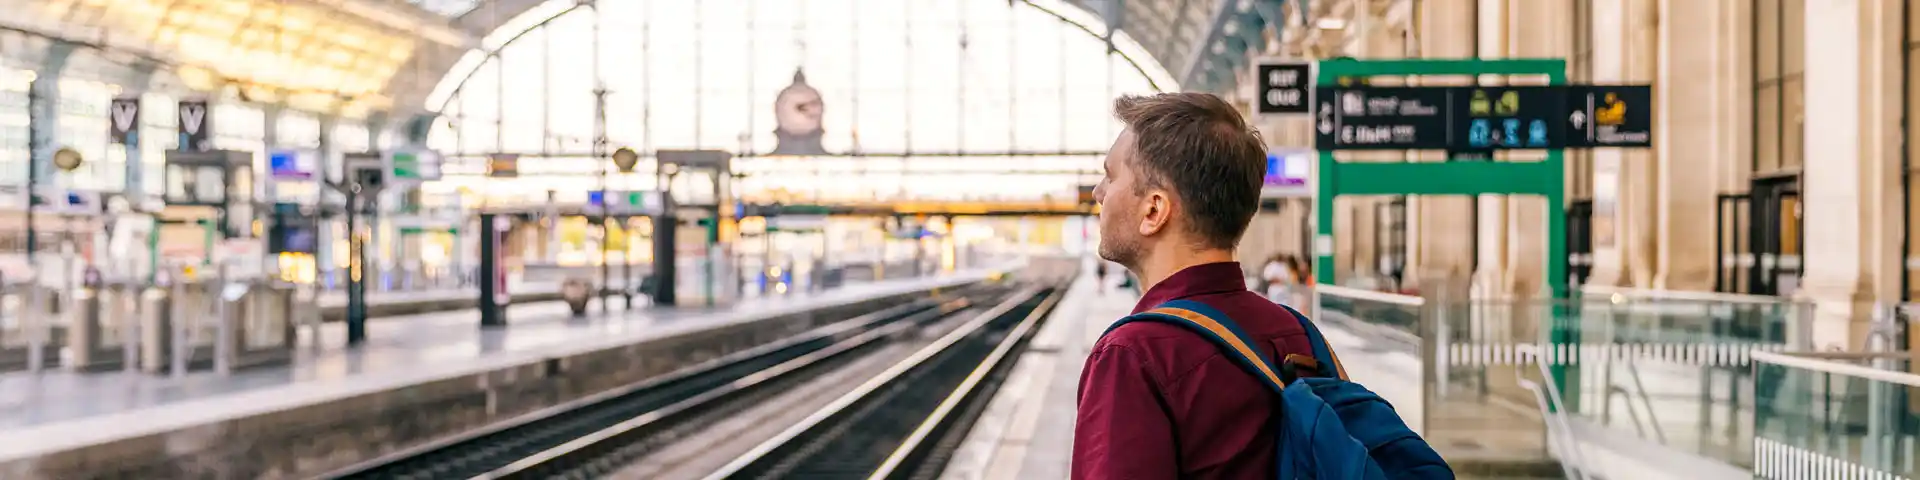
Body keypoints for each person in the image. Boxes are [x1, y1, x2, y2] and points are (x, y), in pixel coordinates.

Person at [1073, 92, 1318, 479]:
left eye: (1110, 175)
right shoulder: (1298, 334)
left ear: (1153, 210)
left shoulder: (1133, 356)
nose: (1099, 193)